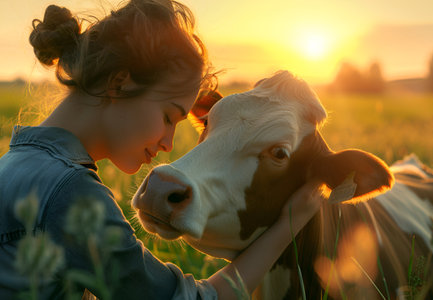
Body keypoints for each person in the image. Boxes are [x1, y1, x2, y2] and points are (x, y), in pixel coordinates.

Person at [0, 0, 323, 299]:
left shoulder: (13, 164)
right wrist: (289, 226)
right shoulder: (68, 193)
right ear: (120, 84)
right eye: (169, 117)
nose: (168, 143)